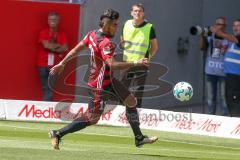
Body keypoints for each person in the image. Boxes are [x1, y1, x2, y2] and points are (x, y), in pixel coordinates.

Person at [48, 8, 158, 150]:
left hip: (109, 80)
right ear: (107, 24)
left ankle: (139, 138)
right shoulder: (106, 43)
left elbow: (76, 49)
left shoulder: (92, 34)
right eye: (115, 25)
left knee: (131, 101)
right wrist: (137, 62)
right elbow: (112, 64)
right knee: (92, 118)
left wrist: (62, 63)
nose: (116, 28)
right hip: (99, 85)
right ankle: (57, 133)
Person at [120, 3, 158, 108]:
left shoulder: (149, 27)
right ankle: (120, 113)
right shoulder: (126, 24)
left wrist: (147, 58)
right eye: (135, 11)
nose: (137, 13)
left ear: (143, 13)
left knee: (138, 91)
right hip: (127, 62)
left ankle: (135, 114)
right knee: (122, 88)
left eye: (140, 11)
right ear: (131, 13)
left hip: (141, 64)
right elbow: (122, 41)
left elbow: (154, 47)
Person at [199, 17, 229, 116]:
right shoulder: (210, 36)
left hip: (223, 72)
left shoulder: (228, 38)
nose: (219, 26)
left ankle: (225, 118)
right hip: (210, 72)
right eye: (218, 24)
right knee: (210, 97)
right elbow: (201, 47)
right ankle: (211, 117)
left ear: (225, 27)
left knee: (223, 97)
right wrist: (202, 36)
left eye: (222, 24)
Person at [211, 19, 240, 117]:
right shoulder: (230, 41)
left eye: (238, 25)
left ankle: (236, 123)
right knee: (229, 100)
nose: (235, 28)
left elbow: (234, 39)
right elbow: (217, 53)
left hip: (236, 76)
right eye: (234, 25)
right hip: (228, 75)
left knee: (234, 100)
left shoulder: (233, 39)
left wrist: (220, 33)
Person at [37, 12, 68, 101]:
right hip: (42, 64)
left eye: (54, 19)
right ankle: (47, 106)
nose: (52, 21)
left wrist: (52, 47)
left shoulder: (62, 34)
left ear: (58, 21)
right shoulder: (43, 32)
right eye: (50, 19)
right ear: (47, 21)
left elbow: (65, 48)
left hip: (55, 65)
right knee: (46, 87)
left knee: (50, 87)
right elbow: (46, 46)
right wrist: (58, 47)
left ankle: (46, 107)